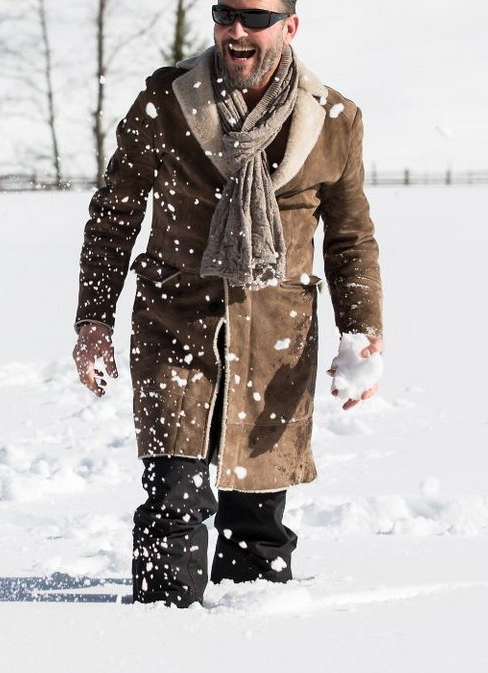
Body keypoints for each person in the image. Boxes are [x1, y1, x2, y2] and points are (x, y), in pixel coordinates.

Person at [70, 0, 383, 607]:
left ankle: (250, 645)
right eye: (224, 13)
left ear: (289, 28)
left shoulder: (335, 119)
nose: (236, 30)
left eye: (255, 18)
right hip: (174, 323)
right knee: (173, 502)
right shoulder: (167, 100)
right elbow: (113, 215)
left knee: (258, 522)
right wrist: (93, 320)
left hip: (275, 339)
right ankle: (163, 633)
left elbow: (350, 236)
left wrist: (362, 329)